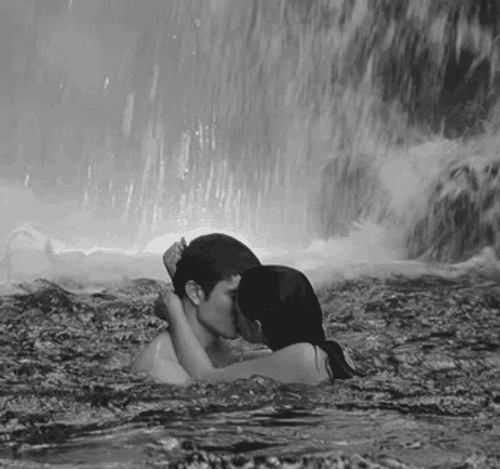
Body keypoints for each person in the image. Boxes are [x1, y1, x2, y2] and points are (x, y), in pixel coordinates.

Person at [158, 264, 360, 385]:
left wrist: (174, 310)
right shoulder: (330, 352)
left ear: (256, 327)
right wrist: (191, 289)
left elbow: (205, 377)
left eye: (236, 314)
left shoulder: (302, 357)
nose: (233, 319)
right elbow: (226, 361)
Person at [130, 233, 261, 384]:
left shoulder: (216, 351)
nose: (244, 306)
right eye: (233, 296)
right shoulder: (162, 372)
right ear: (194, 292)